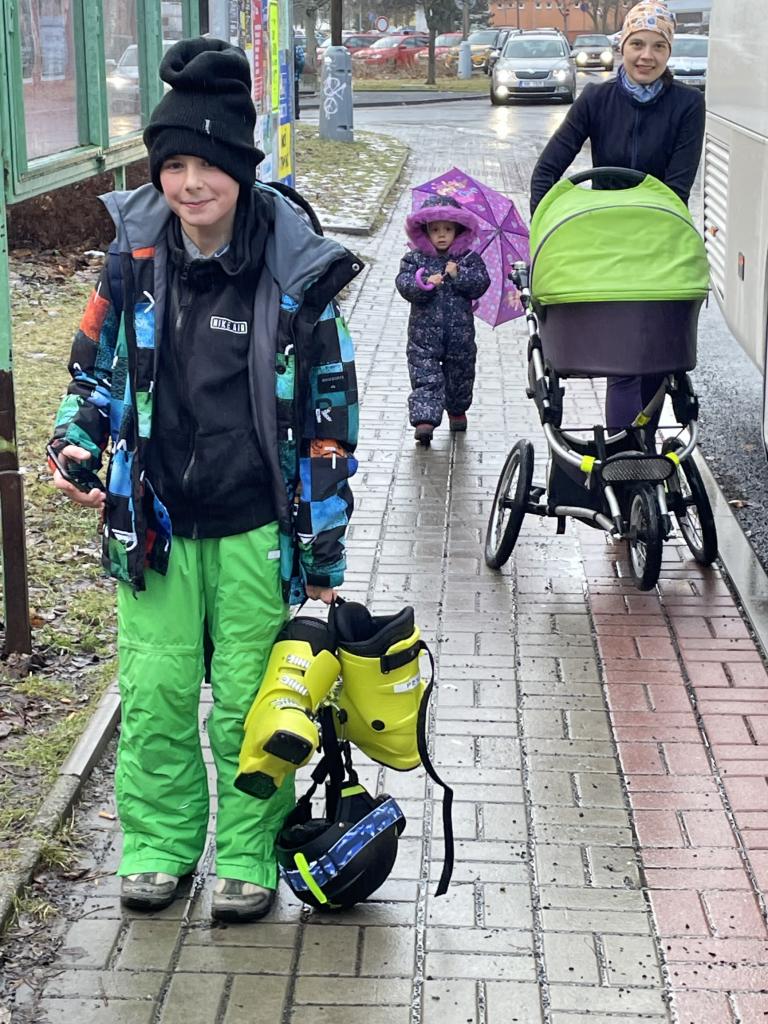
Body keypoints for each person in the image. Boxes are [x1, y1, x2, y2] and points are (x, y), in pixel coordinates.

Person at [47, 37, 361, 923]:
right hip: (153, 526)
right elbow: (92, 374)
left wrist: (324, 558)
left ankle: (250, 854)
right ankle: (158, 847)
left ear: (241, 168)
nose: (190, 185)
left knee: (250, 708)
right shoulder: (132, 260)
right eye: (173, 165)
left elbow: (330, 421)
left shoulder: (296, 276)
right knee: (154, 695)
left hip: (256, 526)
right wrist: (75, 444)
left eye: (208, 165)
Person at [530, 1, 705, 438]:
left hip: (658, 243)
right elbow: (547, 172)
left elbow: (677, 187)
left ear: (669, 52)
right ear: (622, 46)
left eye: (658, 46)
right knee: (625, 365)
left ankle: (640, 456)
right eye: (637, 44)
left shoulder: (688, 104)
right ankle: (627, 457)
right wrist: (547, 236)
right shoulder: (597, 99)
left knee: (657, 364)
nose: (646, 55)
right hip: (606, 246)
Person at [395, 195, 490, 446]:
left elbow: (481, 283)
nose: (441, 235)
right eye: (435, 230)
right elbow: (404, 283)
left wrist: (459, 275)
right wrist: (424, 283)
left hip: (460, 334)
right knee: (425, 373)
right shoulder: (415, 259)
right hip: (423, 334)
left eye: (447, 229)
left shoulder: (468, 259)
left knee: (460, 373)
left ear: (458, 230)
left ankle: (457, 410)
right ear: (425, 231)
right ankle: (424, 420)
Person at [293, 35, 305, 120]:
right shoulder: (297, 47)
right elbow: (302, 62)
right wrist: (298, 72)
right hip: (295, 77)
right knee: (295, 96)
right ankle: (296, 113)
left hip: (282, 78)